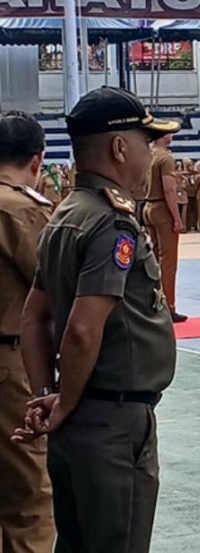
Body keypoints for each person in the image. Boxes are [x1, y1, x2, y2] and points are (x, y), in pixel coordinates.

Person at [12, 86, 179, 553]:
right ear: (119, 147)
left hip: (81, 419)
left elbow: (34, 316)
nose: (150, 154)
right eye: (146, 142)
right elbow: (84, 329)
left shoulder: (67, 213)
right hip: (112, 420)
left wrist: (46, 395)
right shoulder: (112, 222)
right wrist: (64, 402)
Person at [0, 111, 55, 552]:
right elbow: (56, 286)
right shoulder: (21, 209)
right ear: (37, 160)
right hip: (8, 365)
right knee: (28, 498)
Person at [144, 133, 187, 324]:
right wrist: (177, 219)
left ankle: (151, 303)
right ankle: (168, 306)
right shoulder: (165, 158)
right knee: (168, 262)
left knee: (152, 260)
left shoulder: (148, 154)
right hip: (162, 208)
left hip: (148, 206)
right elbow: (169, 189)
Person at [175, 160, 189, 229]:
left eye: (181, 167)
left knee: (184, 212)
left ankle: (184, 226)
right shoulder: (173, 178)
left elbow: (188, 187)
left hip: (184, 196)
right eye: (178, 167)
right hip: (175, 196)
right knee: (176, 212)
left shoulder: (184, 178)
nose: (179, 169)